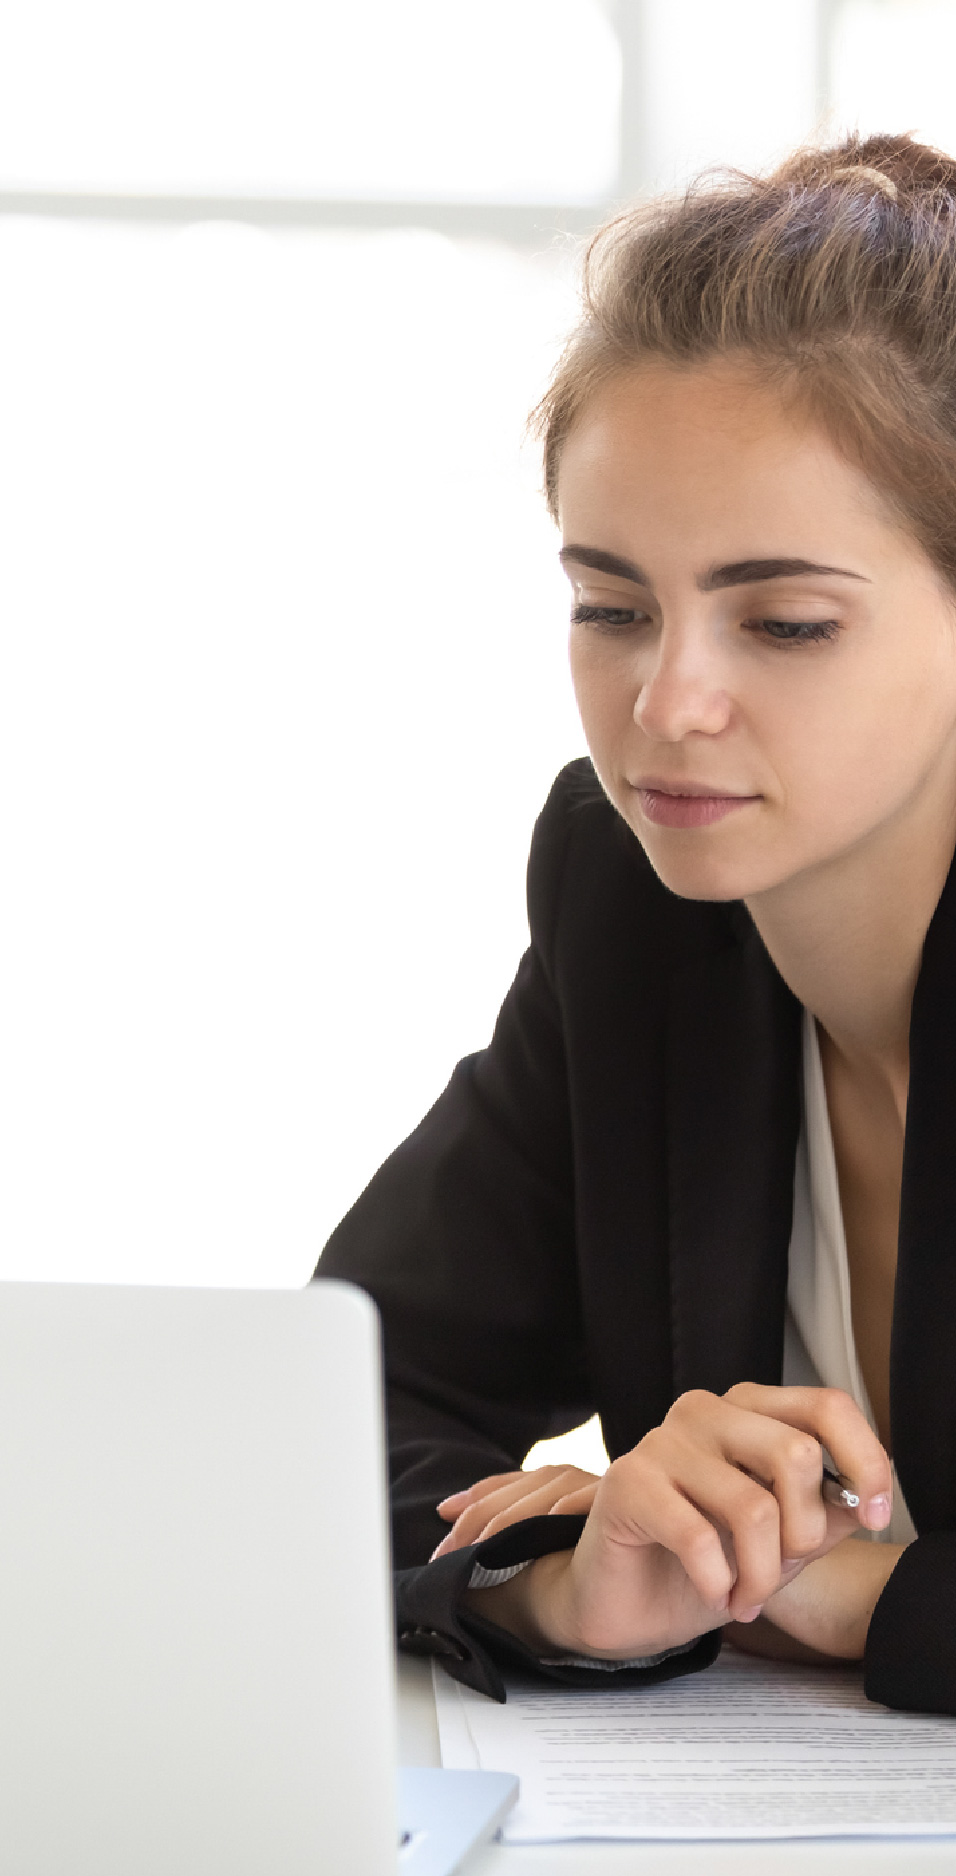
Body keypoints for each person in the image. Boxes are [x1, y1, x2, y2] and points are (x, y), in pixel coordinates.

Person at [318, 132, 956, 1719]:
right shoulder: (636, 908)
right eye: (611, 606)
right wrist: (574, 1582)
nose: (665, 705)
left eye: (785, 622)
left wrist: (865, 1591)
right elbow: (333, 1415)